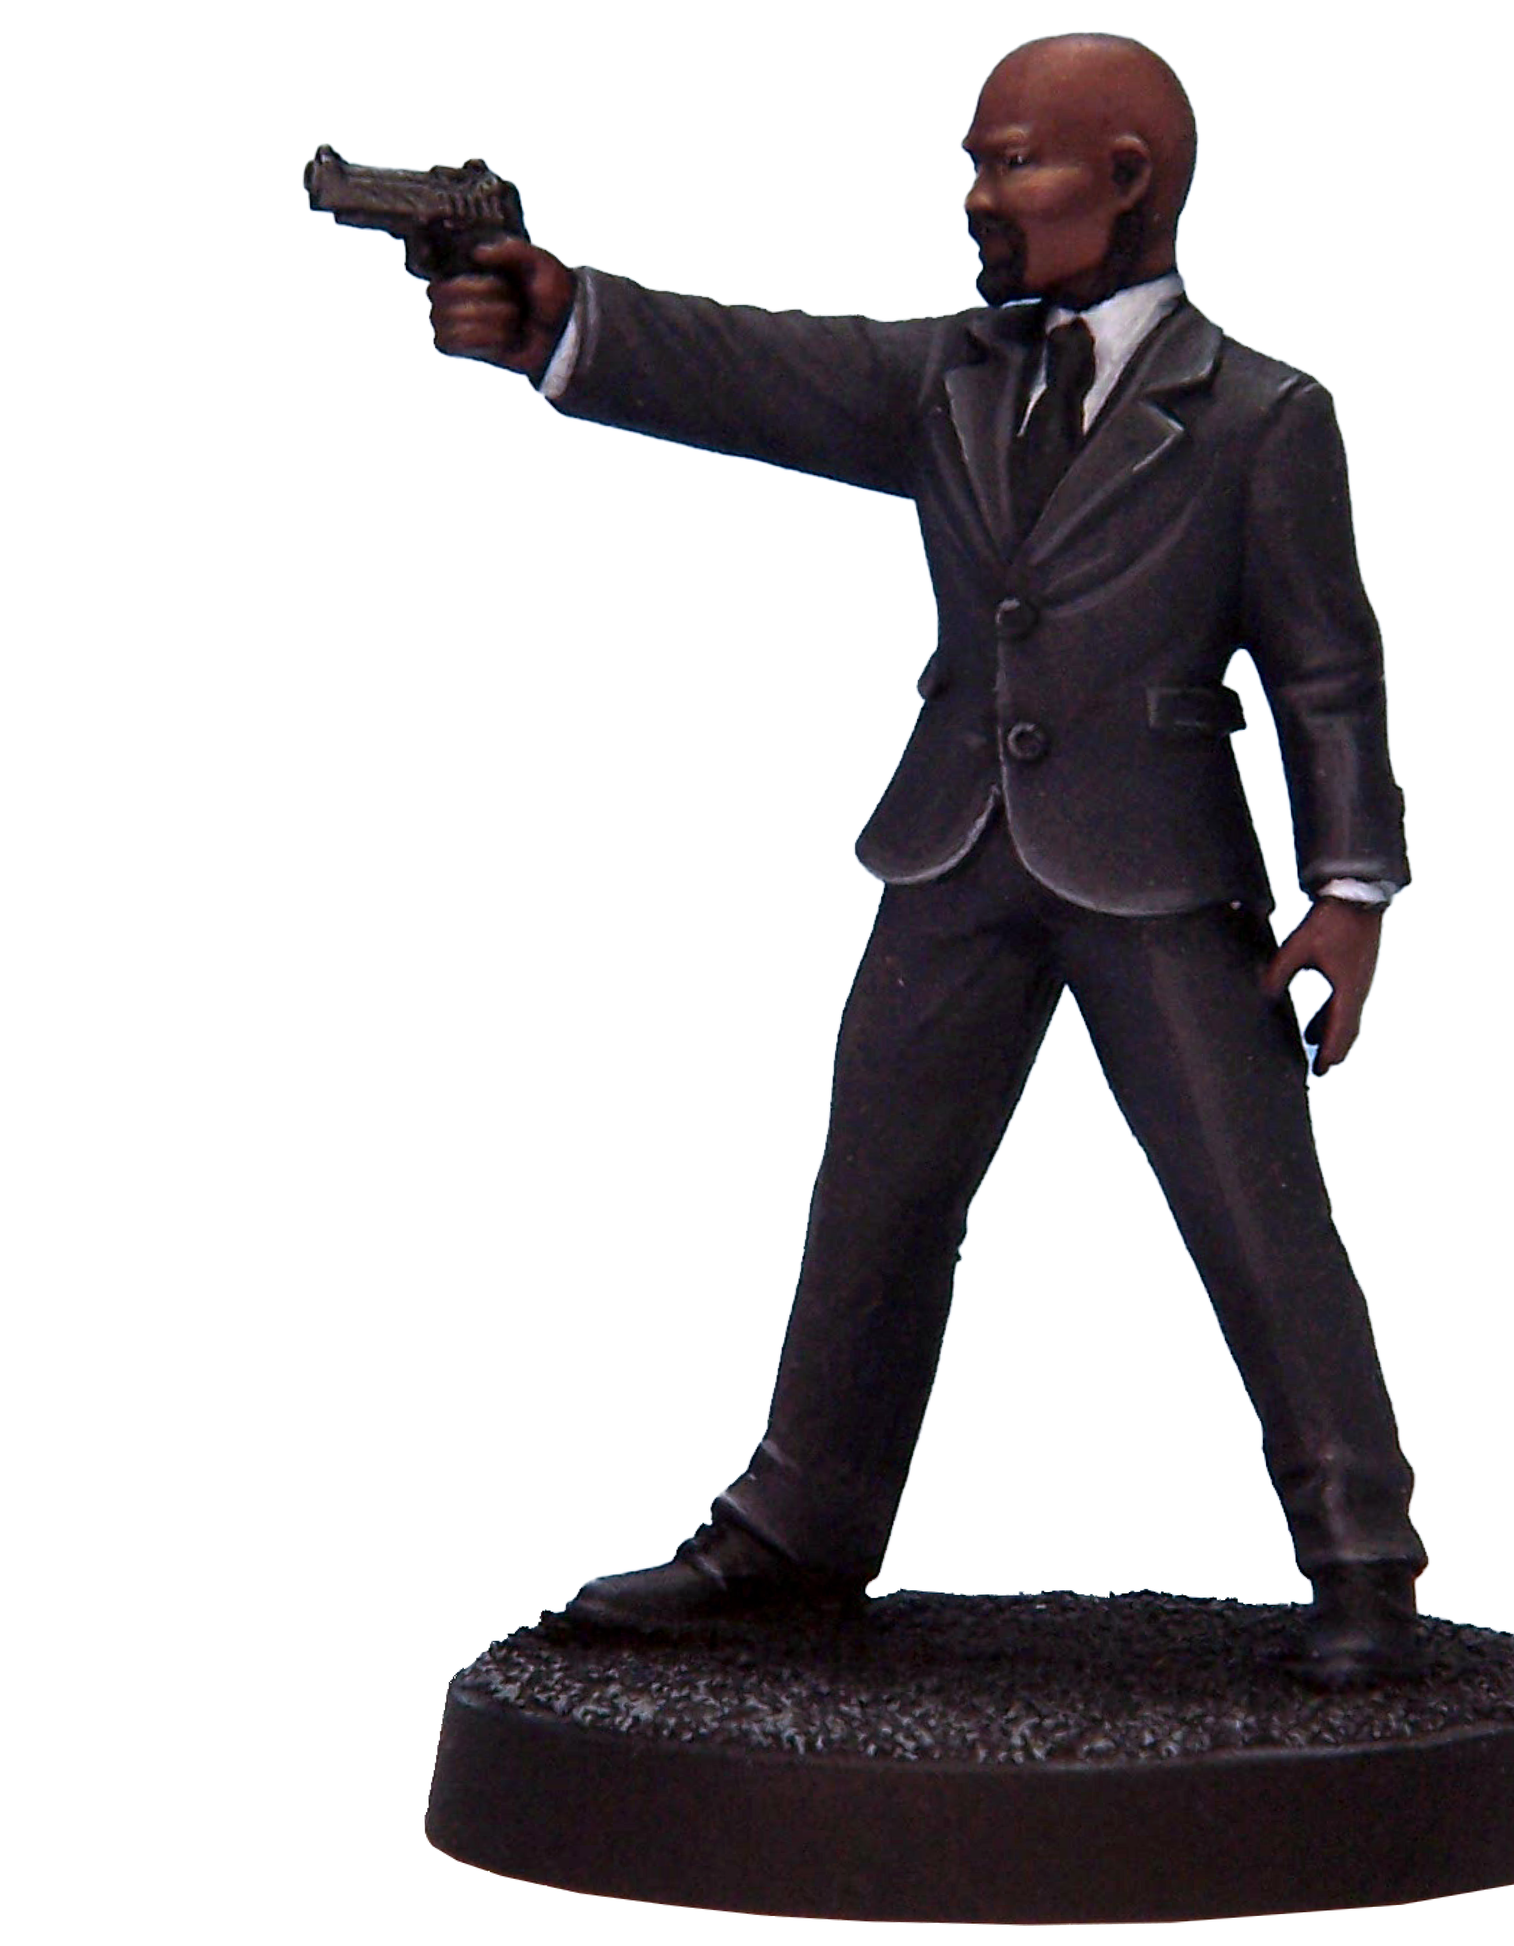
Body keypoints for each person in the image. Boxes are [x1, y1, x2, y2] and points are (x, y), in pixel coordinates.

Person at [430, 33, 1426, 1684]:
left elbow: (1327, 668)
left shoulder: (1261, 416)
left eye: (1010, 162)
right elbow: (760, 367)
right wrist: (564, 320)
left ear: (1126, 180)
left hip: (1160, 873)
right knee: (876, 1199)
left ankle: (1361, 1556)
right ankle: (797, 1530)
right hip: (953, 851)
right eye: (974, 161)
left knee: (1252, 1212)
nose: (977, 197)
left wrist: (1348, 889)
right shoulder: (950, 376)